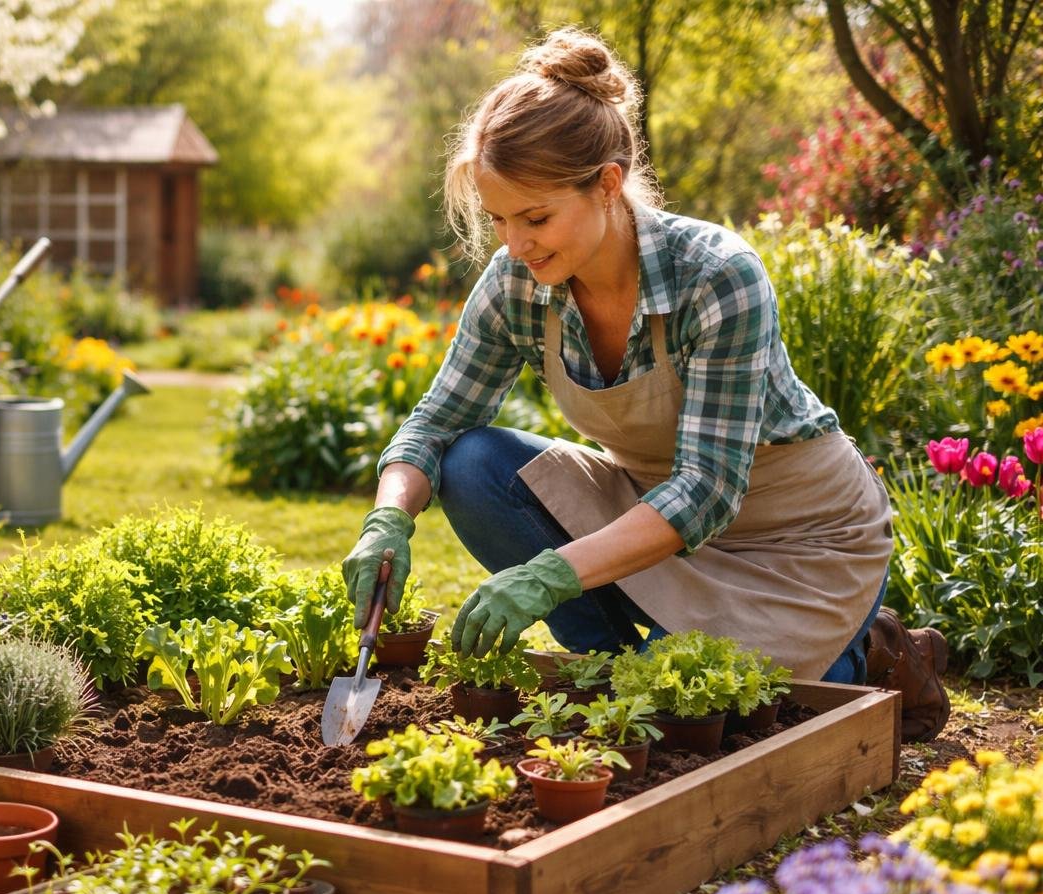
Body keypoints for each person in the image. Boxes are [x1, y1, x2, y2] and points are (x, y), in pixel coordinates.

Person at [341, 27, 949, 742]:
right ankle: (623, 673)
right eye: (499, 218)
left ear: (606, 183)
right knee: (472, 466)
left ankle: (873, 653)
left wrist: (546, 576)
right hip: (655, 516)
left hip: (801, 540)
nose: (514, 244)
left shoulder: (716, 274)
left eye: (536, 217)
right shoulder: (517, 284)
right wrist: (389, 517)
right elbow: (437, 423)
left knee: (745, 717)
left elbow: (707, 490)